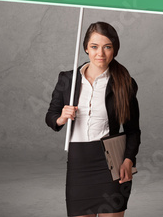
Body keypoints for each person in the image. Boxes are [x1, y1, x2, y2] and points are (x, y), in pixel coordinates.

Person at [46, 21, 141, 217]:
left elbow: (133, 130)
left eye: (107, 47)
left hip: (111, 163)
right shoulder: (67, 80)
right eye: (94, 47)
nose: (101, 53)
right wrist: (61, 118)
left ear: (114, 49)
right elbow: (51, 117)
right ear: (86, 48)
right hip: (78, 162)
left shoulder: (124, 83)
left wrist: (128, 160)